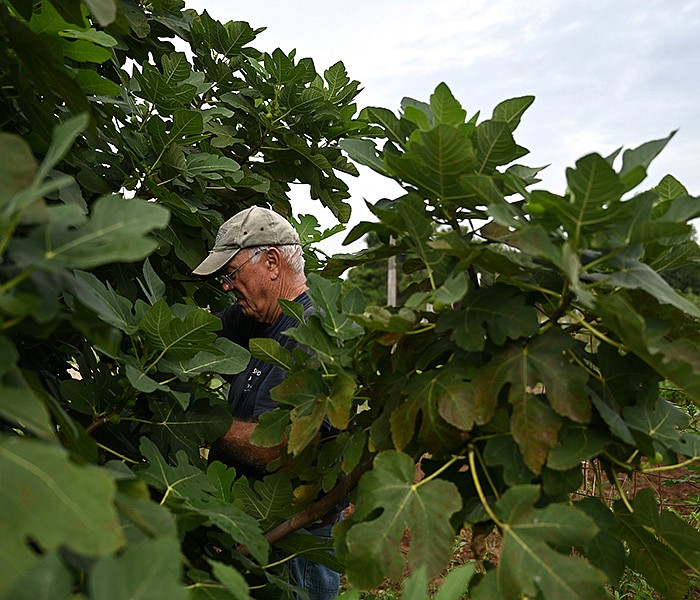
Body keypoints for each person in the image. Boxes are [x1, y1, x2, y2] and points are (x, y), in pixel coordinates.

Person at [193, 205, 341, 600]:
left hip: (293, 541)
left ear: (272, 262)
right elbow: (191, 337)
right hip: (255, 526)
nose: (225, 286)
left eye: (231, 274)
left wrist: (196, 424)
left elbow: (282, 446)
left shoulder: (312, 333)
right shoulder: (253, 319)